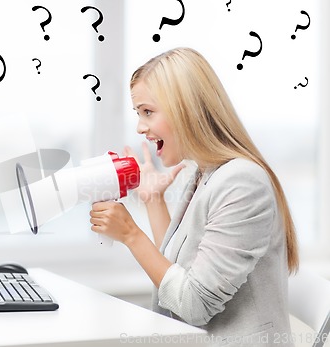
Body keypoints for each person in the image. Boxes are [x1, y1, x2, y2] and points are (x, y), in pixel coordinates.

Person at [89, 47, 299, 346]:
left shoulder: (241, 182)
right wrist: (153, 200)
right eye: (138, 114)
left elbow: (194, 305)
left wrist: (131, 235)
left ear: (184, 108)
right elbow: (180, 271)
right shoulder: (205, 173)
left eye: (148, 111)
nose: (140, 127)